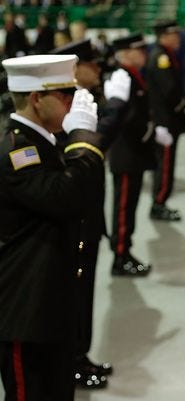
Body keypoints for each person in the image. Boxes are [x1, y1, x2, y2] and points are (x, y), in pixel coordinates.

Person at [0, 54, 104, 401]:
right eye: (64, 96)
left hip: (49, 302)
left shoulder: (42, 140)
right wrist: (85, 138)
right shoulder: (17, 150)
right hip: (24, 310)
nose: (72, 104)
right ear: (35, 99)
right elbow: (68, 196)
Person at [50, 38, 113, 389]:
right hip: (74, 218)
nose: (98, 70)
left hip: (86, 216)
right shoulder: (63, 112)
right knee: (72, 294)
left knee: (83, 291)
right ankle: (72, 359)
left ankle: (79, 355)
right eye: (92, 64)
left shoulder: (82, 103)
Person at [107, 32, 159, 276]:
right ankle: (120, 256)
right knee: (123, 209)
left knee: (129, 208)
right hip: (127, 154)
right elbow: (126, 119)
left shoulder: (133, 75)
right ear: (126, 53)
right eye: (138, 50)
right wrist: (149, 131)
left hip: (133, 154)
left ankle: (124, 251)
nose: (143, 54)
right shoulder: (122, 77)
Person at [146, 20, 185, 221]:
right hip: (166, 120)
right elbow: (169, 89)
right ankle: (159, 203)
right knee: (165, 164)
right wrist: (182, 103)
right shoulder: (161, 57)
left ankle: (160, 201)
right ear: (164, 36)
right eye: (174, 34)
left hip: (167, 119)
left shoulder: (165, 54)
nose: (178, 38)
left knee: (166, 163)